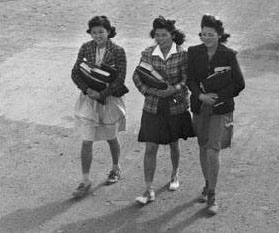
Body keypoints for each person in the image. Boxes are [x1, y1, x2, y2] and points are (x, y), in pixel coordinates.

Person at [187, 14, 245, 216]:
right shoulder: (193, 52)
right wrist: (201, 96)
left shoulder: (228, 54)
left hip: (220, 109)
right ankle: (207, 184)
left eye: (210, 34)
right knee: (203, 147)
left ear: (219, 34)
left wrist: (217, 96)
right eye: (203, 34)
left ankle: (212, 193)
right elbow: (190, 79)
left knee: (213, 149)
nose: (206, 38)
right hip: (200, 106)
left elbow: (239, 83)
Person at [133, 17, 194, 205]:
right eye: (157, 35)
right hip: (153, 107)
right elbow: (138, 77)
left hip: (176, 106)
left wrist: (174, 89)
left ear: (173, 35)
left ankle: (175, 174)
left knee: (174, 143)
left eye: (164, 35)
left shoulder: (183, 55)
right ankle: (148, 188)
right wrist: (151, 92)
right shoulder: (147, 53)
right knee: (151, 147)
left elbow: (187, 78)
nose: (160, 38)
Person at [71, 16, 128, 198]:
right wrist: (88, 90)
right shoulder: (85, 47)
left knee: (111, 137)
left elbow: (120, 79)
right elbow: (75, 72)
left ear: (109, 32)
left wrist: (101, 94)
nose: (97, 35)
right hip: (88, 100)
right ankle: (85, 180)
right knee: (86, 140)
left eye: (101, 32)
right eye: (94, 32)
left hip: (108, 100)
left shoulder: (118, 51)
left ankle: (115, 168)